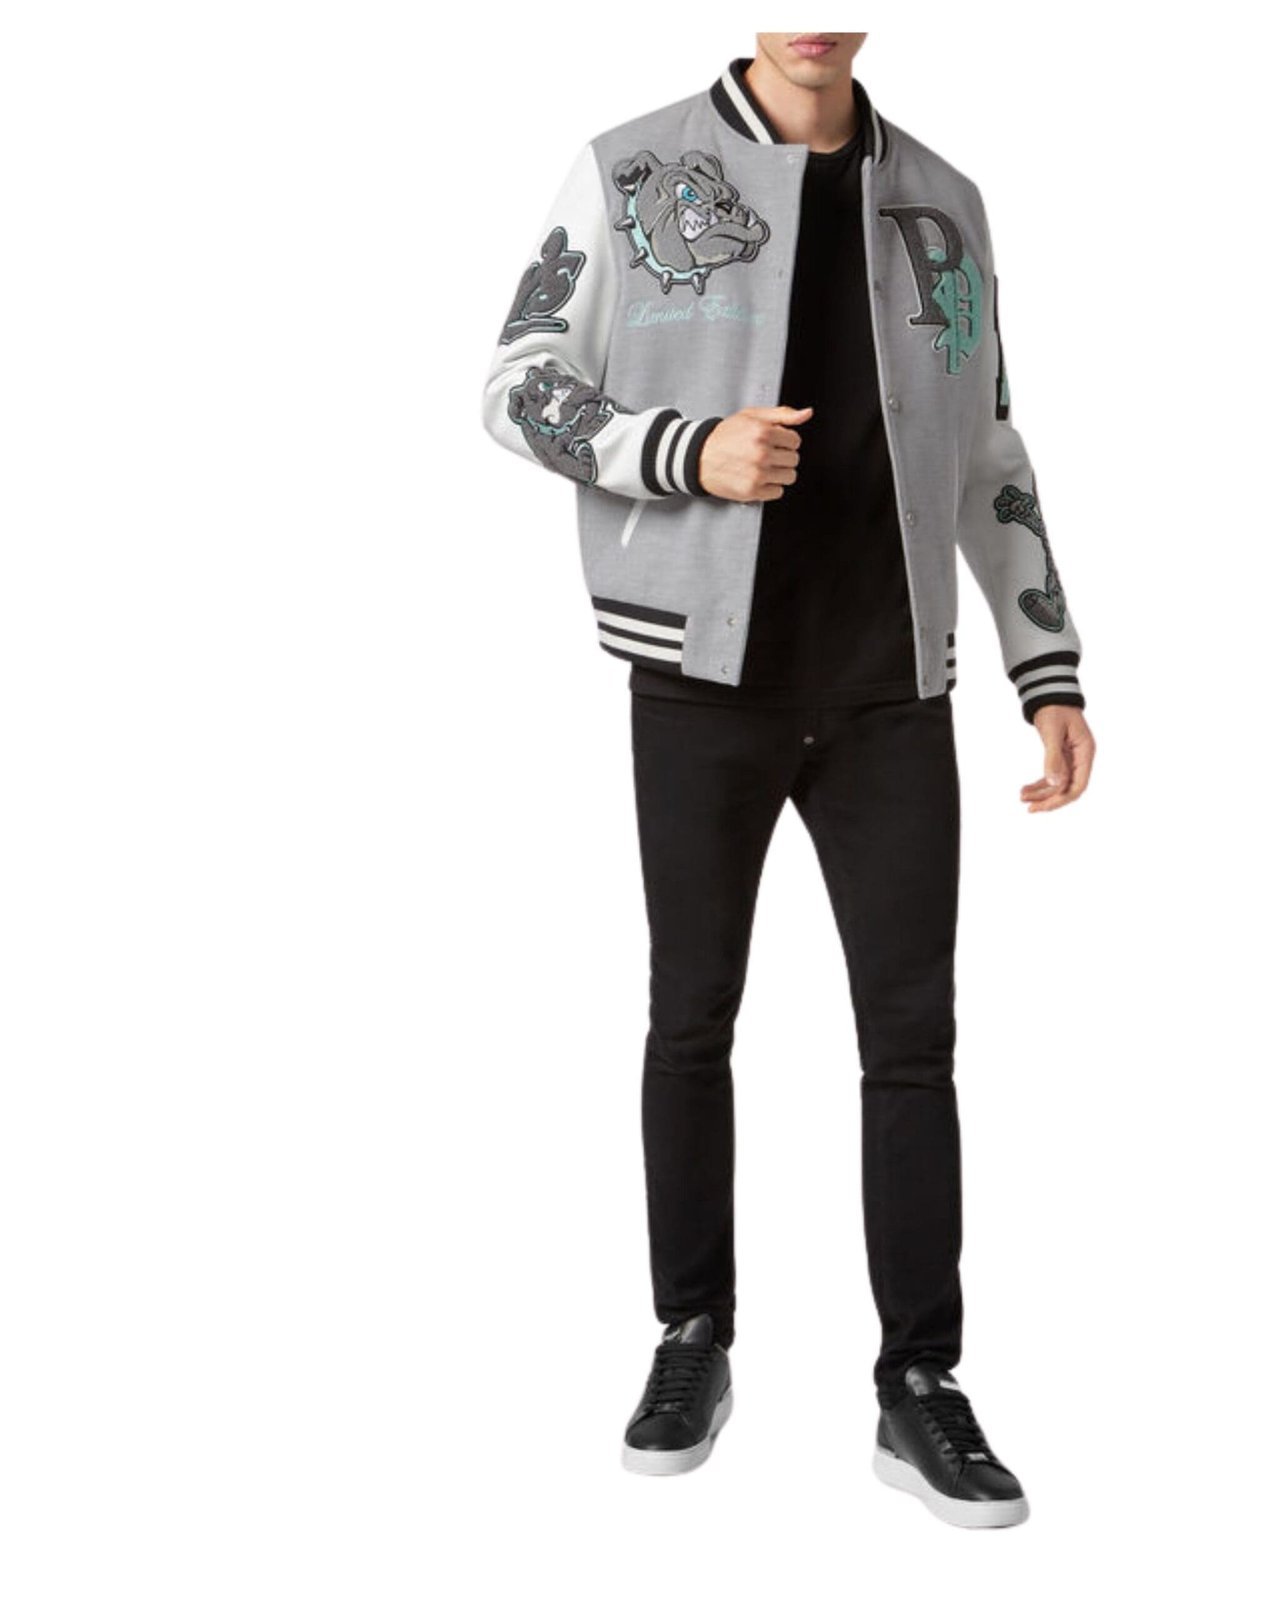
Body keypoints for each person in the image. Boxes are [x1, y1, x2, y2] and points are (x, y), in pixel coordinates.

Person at [481, 34, 1095, 1529]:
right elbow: (516, 386)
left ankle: (920, 1382)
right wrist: (683, 450)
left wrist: (1047, 665)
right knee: (691, 1018)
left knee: (914, 1045)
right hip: (703, 679)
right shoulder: (632, 168)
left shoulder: (942, 198)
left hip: (894, 690)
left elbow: (989, 449)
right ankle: (692, 1335)